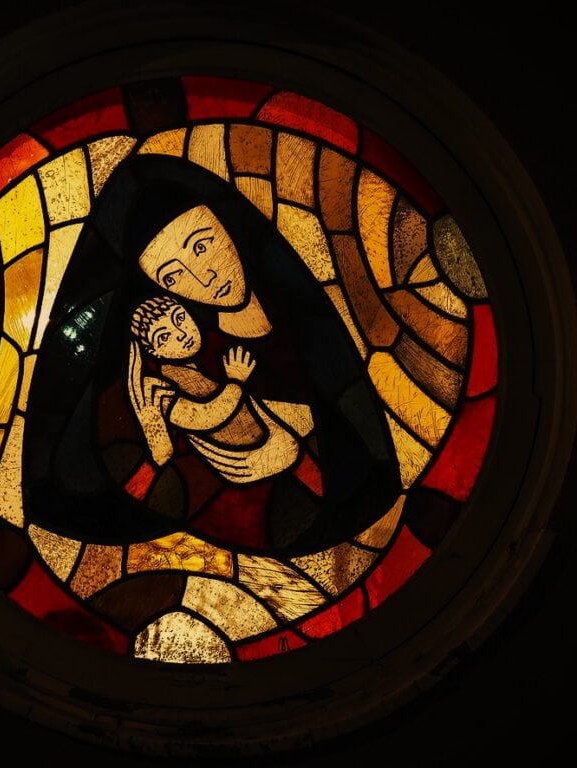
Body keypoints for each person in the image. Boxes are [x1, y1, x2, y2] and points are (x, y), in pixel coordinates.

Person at [23, 153, 401, 555]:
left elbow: (357, 440)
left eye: (202, 246)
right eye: (172, 276)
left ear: (229, 228)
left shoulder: (309, 315)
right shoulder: (187, 356)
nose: (204, 277)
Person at [128, 295, 314, 483]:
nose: (181, 333)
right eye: (164, 337)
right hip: (247, 460)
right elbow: (206, 418)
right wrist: (235, 381)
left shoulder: (201, 362)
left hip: (261, 428)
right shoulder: (161, 389)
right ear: (153, 351)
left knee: (308, 416)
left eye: (180, 318)